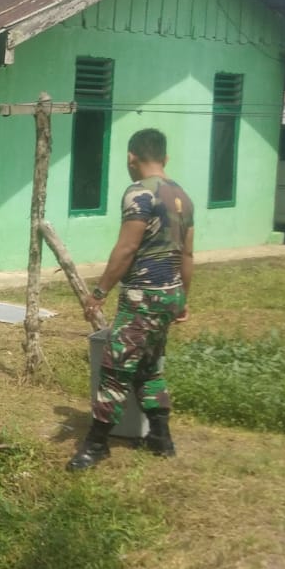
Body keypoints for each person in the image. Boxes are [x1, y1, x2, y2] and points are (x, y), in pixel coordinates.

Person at [67, 127, 195, 471]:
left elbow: (127, 248)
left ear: (131, 158)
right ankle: (160, 437)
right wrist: (182, 299)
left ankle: (96, 444)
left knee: (114, 367)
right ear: (165, 158)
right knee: (149, 365)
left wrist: (98, 293)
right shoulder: (183, 196)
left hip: (143, 296)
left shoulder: (139, 194)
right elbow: (188, 254)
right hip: (169, 295)